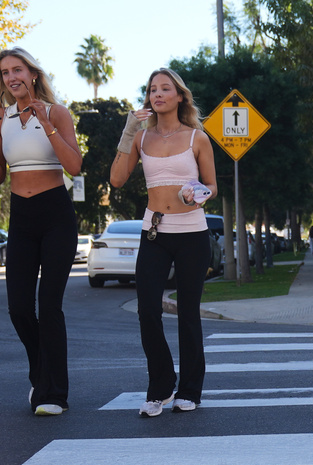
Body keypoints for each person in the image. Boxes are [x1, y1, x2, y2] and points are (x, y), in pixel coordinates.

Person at [0, 47, 82, 416]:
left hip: (56, 213)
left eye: (17, 70)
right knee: (19, 307)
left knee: (49, 306)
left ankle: (55, 394)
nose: (11, 77)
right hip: (21, 215)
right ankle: (40, 372)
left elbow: (74, 167)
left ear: (32, 74)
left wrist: (44, 122)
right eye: (4, 73)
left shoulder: (57, 113)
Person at [109, 68, 218, 417]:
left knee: (188, 314)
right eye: (152, 89)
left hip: (192, 234)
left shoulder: (196, 138)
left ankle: (189, 390)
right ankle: (160, 386)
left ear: (179, 96)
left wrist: (198, 193)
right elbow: (116, 179)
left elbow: (212, 187)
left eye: (165, 89)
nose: (157, 94)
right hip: (154, 232)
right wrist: (128, 131)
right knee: (146, 311)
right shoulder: (141, 138)